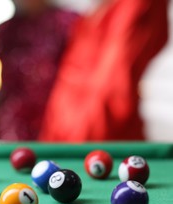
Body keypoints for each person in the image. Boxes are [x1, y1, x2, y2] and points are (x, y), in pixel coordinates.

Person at [39, 0, 169, 141]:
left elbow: (114, 86)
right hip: (63, 127)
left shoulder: (135, 6)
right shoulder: (101, 8)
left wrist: (80, 140)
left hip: (95, 138)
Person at [0, 0, 79, 140]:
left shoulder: (68, 22)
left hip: (54, 121)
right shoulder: (8, 30)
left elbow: (86, 72)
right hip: (13, 127)